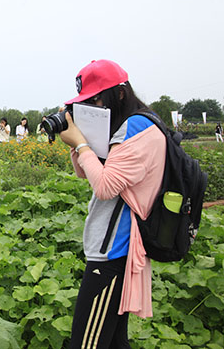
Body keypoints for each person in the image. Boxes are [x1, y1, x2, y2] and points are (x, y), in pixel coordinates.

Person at [58, 60, 166, 348]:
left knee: (87, 344)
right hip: (113, 252)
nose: (93, 105)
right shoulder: (126, 126)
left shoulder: (137, 128)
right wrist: (77, 144)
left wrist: (82, 144)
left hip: (112, 256)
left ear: (118, 94)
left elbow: (105, 187)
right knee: (115, 342)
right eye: (85, 101)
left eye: (96, 98)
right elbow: (87, 173)